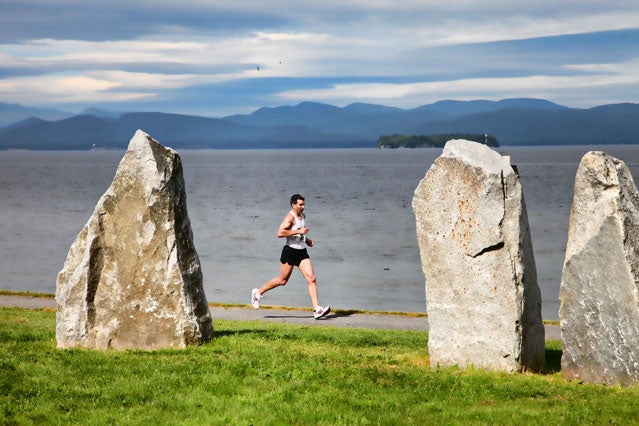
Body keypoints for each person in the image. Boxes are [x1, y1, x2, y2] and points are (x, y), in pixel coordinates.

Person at [251, 194, 331, 319]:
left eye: (304, 204)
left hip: (302, 252)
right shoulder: (290, 217)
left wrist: (306, 240)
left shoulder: (302, 216)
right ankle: (258, 292)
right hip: (290, 251)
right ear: (293, 205)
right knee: (282, 281)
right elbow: (280, 233)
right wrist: (299, 231)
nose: (303, 207)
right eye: (300, 205)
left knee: (312, 278)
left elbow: (298, 232)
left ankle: (317, 309)